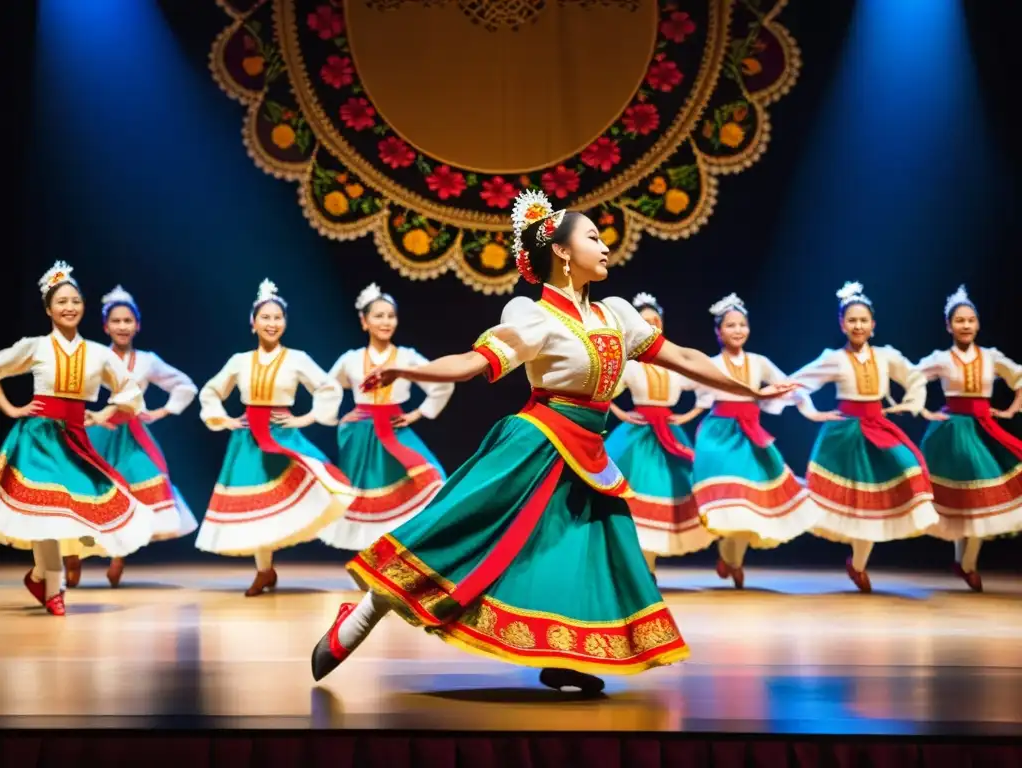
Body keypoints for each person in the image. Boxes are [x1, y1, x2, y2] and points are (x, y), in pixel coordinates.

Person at [310, 190, 800, 692]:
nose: (605, 246)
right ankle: (363, 615)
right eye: (592, 237)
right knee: (456, 531)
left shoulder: (618, 315)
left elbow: (689, 360)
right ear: (562, 252)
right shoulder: (533, 314)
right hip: (536, 441)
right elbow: (471, 363)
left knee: (586, 550)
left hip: (590, 448)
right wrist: (405, 367)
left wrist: (753, 390)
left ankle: (564, 653)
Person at [0, 262, 154, 615]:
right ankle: (54, 586)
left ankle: (40, 574)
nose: (69, 306)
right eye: (61, 301)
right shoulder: (35, 346)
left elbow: (129, 390)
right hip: (37, 439)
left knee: (66, 513)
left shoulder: (99, 354)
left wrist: (102, 414)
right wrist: (10, 408)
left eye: (75, 300)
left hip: (74, 442)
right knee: (46, 513)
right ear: (49, 309)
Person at [195, 279, 355, 596]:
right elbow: (211, 391)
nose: (272, 323)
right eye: (265, 318)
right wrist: (224, 419)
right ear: (252, 323)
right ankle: (264, 571)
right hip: (248, 442)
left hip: (282, 437)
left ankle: (271, 569)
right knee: (255, 506)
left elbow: (327, 387)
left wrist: (305, 418)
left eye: (277, 318)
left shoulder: (297, 358)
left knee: (304, 494)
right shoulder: (240, 361)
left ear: (285, 322)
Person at [788, 282, 938, 593]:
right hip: (845, 433)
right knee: (856, 498)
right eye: (852, 320)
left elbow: (914, 377)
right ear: (842, 324)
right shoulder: (834, 358)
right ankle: (857, 566)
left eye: (863, 320)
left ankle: (856, 565)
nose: (858, 326)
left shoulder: (886, 356)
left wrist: (910, 404)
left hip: (879, 426)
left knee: (907, 469)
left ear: (873, 325)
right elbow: (797, 382)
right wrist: (812, 411)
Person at [66, 285, 198, 588]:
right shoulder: (95, 355)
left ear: (137, 325)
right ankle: (74, 553)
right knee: (92, 493)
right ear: (105, 326)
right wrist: (86, 415)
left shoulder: (147, 361)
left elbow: (184, 385)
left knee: (137, 490)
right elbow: (74, 387)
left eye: (127, 321)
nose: (122, 327)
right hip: (101, 431)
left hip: (133, 433)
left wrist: (164, 410)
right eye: (116, 321)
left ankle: (118, 556)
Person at [689, 294, 823, 589]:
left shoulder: (759, 363)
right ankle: (729, 554)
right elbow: (686, 384)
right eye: (730, 325)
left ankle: (731, 558)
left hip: (750, 433)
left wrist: (809, 410)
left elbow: (786, 385)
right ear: (718, 331)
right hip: (718, 434)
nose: (737, 330)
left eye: (742, 325)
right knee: (729, 495)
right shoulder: (710, 363)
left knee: (750, 500)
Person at [317, 283, 453, 553]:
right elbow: (327, 388)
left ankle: (395, 562)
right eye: (378, 316)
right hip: (360, 436)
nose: (386, 321)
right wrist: (335, 419)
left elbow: (442, 383)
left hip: (395, 430)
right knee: (366, 497)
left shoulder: (407, 357)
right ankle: (367, 563)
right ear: (364, 321)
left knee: (432, 480)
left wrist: (417, 413)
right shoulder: (351, 360)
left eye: (390, 316)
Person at [916, 285, 1022, 591]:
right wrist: (921, 409)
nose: (965, 326)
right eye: (959, 321)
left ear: (977, 324)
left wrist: (1012, 409)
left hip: (984, 427)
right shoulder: (941, 358)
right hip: (952, 430)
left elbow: (1018, 377)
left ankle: (966, 563)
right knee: (965, 495)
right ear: (949, 326)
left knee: (981, 495)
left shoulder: (991, 357)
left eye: (970, 320)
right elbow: (912, 377)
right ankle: (965, 562)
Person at [605, 292, 712, 578]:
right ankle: (643, 568)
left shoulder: (674, 365)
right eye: (644, 322)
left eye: (655, 321)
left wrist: (687, 415)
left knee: (667, 494)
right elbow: (602, 389)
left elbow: (705, 388)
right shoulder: (629, 365)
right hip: (637, 438)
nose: (651, 326)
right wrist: (620, 412)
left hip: (670, 437)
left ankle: (648, 566)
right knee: (636, 496)